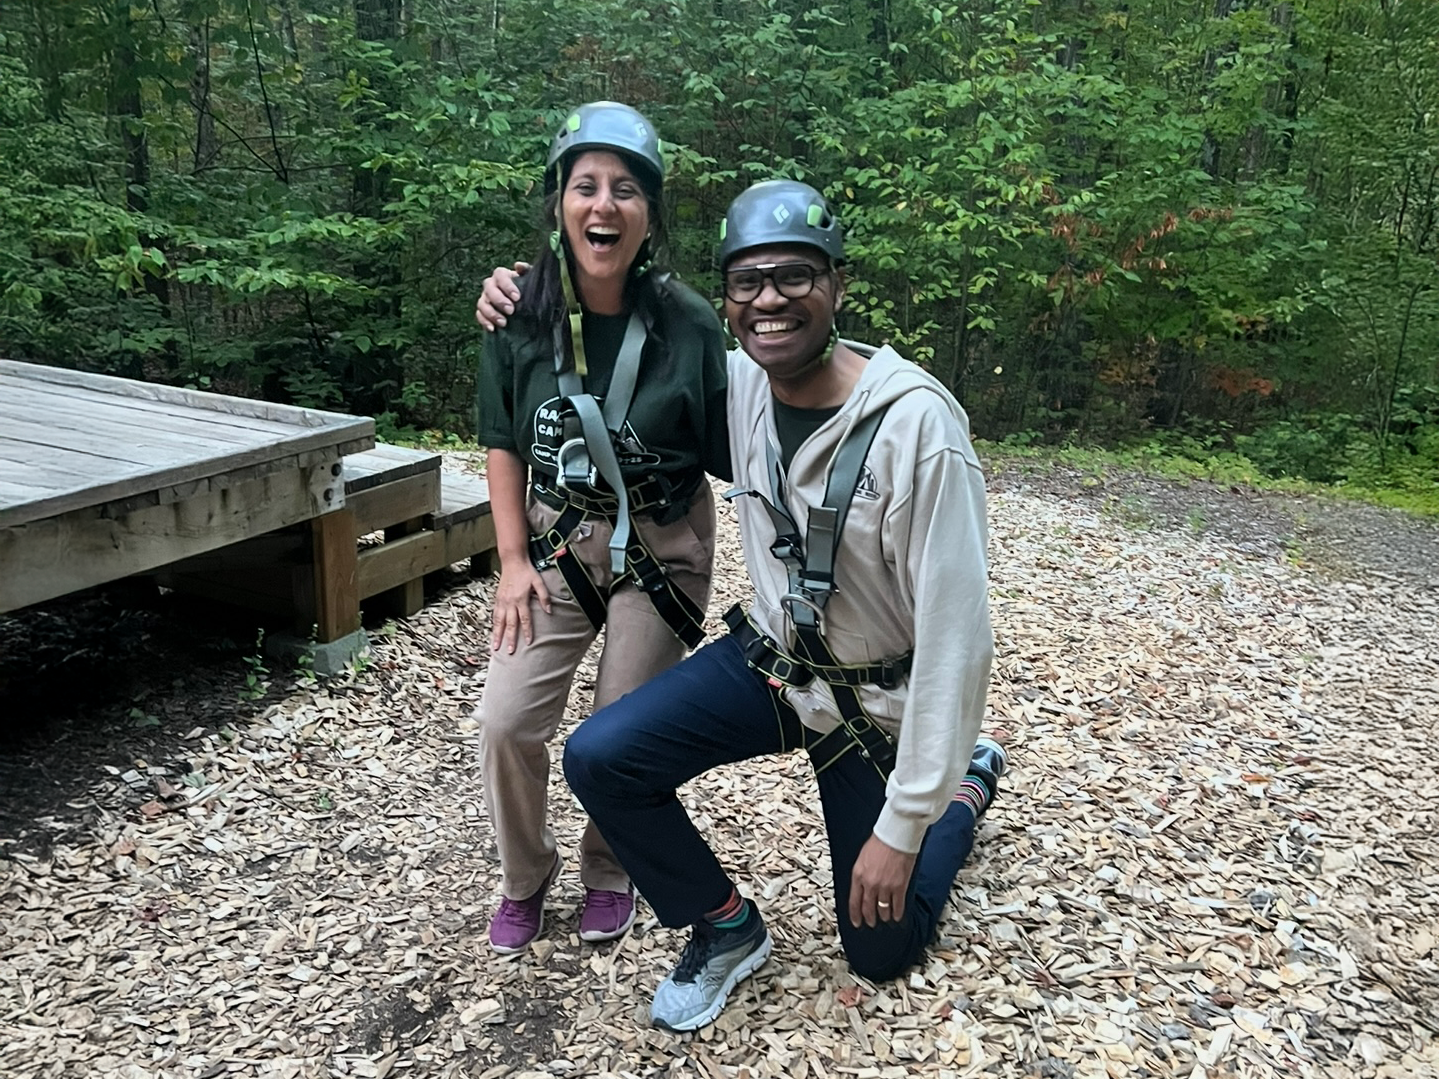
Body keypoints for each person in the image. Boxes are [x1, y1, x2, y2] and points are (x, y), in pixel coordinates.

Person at [475, 180, 1003, 1031]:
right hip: (774, 667)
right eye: (746, 282)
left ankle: (964, 787)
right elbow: (614, 354)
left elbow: (958, 641)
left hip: (874, 702)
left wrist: (907, 820)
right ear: (725, 300)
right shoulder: (737, 385)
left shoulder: (918, 430)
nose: (769, 301)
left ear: (838, 283)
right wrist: (523, 296)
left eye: (794, 276)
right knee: (601, 756)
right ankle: (724, 924)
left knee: (881, 949)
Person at [470, 101, 729, 955]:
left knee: (616, 732)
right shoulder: (517, 315)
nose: (603, 206)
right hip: (556, 537)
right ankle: (525, 873)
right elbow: (504, 441)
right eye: (585, 187)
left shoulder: (688, 324)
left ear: (648, 214)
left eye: (625, 190)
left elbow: (743, 448)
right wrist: (511, 560)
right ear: (558, 204)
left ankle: (608, 867)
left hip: (661, 545)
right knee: (505, 722)